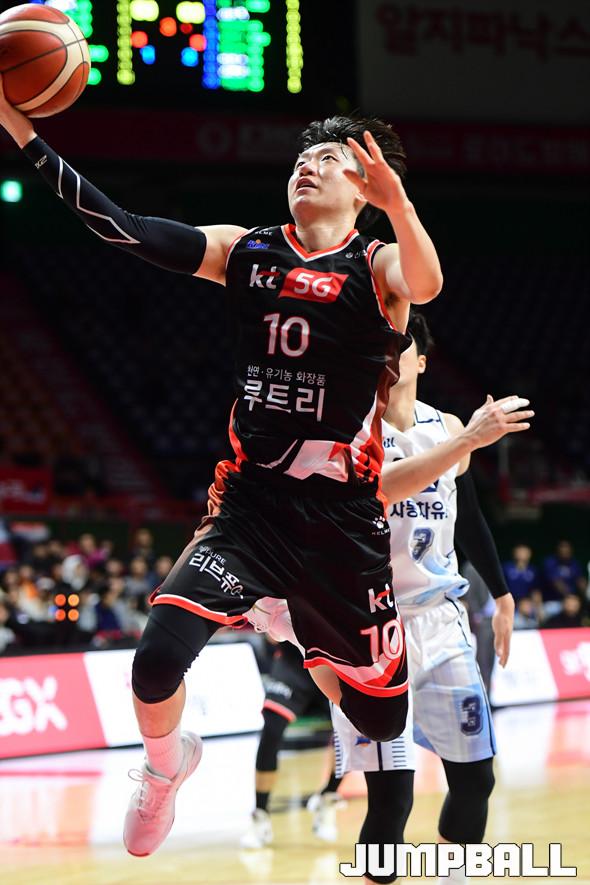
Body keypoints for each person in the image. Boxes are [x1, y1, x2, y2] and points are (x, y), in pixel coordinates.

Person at [1, 81, 446, 856]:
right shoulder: (248, 250)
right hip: (253, 504)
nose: (307, 166)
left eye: (329, 159)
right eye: (302, 157)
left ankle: (303, 625)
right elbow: (127, 229)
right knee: (155, 660)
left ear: (363, 188)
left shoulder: (379, 265)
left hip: (341, 524)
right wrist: (23, 134)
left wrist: (400, 203)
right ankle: (165, 766)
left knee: (381, 718)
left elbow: (429, 281)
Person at [324, 313, 522, 885]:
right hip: (372, 630)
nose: (389, 353)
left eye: (401, 344)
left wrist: (502, 595)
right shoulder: (348, 433)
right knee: (392, 799)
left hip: (440, 620)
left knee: (477, 779)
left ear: (422, 361)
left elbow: (470, 516)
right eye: (379, 345)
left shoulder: (448, 427)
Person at [240, 639, 341, 849]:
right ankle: (260, 814)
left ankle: (328, 795)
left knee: (351, 730)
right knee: (272, 727)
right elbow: (270, 635)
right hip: (294, 660)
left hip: (334, 663)